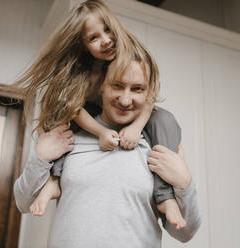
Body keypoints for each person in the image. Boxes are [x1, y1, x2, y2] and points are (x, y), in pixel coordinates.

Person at [13, 0, 185, 229]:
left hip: (135, 116)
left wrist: (135, 127)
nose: (105, 41)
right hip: (89, 112)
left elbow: (150, 93)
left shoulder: (133, 51)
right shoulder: (81, 70)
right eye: (93, 38)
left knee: (164, 119)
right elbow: (73, 108)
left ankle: (166, 196)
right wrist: (102, 132)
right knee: (58, 118)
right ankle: (54, 179)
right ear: (83, 45)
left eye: (108, 30)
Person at [14, 59, 201, 248]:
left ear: (148, 94)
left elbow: (185, 233)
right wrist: (40, 158)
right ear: (102, 84)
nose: (125, 100)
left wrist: (185, 183)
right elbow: (23, 202)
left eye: (137, 89)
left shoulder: (156, 147)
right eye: (117, 86)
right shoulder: (69, 138)